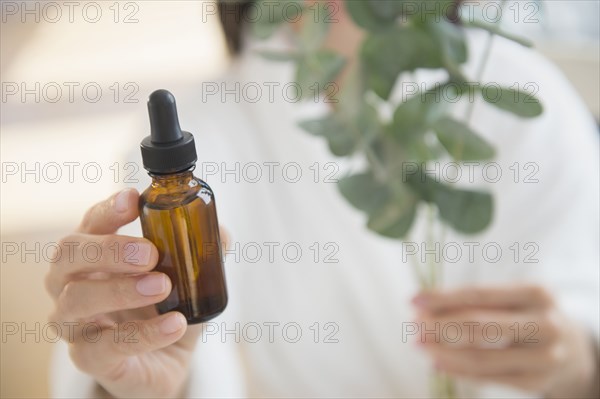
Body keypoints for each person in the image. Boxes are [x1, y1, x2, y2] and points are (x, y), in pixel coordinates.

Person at [46, 2, 599, 398]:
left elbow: (583, 317)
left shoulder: (524, 95)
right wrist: (136, 387)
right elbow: (165, 361)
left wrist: (579, 366)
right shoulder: (209, 140)